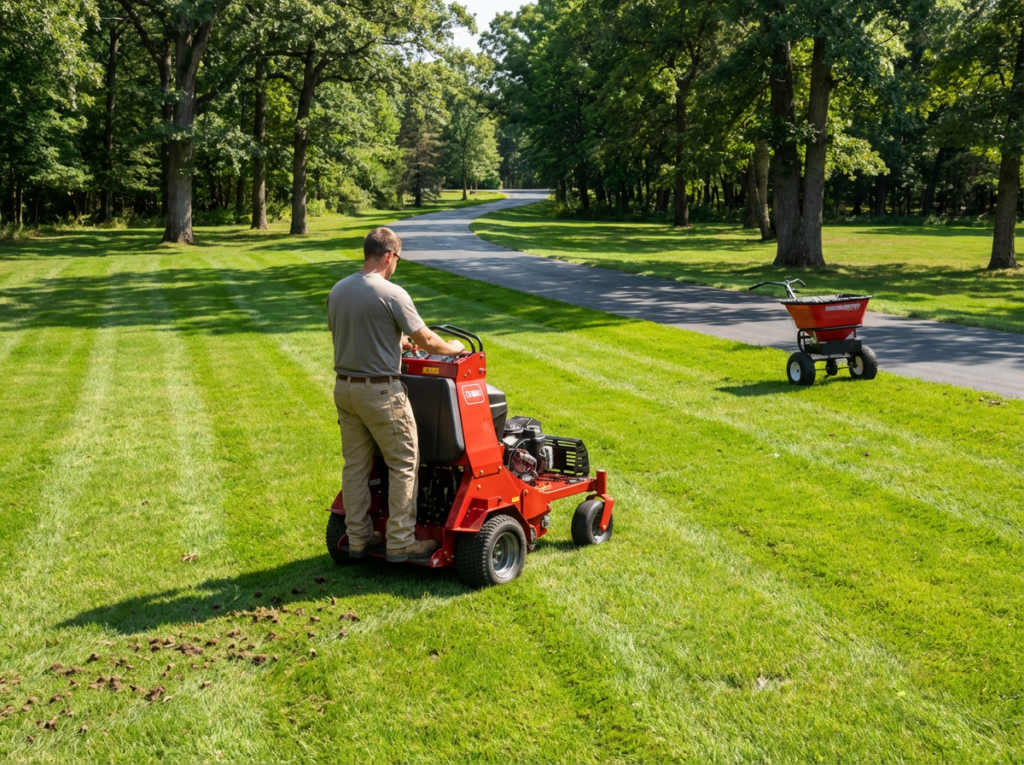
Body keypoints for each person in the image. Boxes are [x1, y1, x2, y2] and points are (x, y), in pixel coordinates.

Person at [327, 227, 465, 562]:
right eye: (397, 259)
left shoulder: (339, 289)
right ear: (390, 255)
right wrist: (452, 348)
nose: (396, 265)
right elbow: (428, 341)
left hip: (345, 389)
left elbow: (351, 331)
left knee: (356, 466)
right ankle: (401, 542)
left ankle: (359, 538)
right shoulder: (392, 293)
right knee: (404, 463)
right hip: (381, 393)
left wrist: (393, 342)